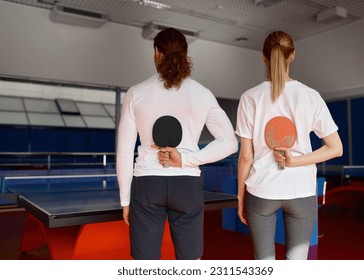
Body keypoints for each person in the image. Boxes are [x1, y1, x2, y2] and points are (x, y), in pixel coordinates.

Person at [116, 27, 238, 260]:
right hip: (186, 185)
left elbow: (124, 152)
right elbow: (230, 142)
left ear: (156, 53)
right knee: (190, 262)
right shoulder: (202, 93)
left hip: (147, 184)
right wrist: (186, 159)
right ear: (185, 54)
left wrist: (125, 199)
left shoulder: (136, 93)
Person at [236, 30, 343, 260]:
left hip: (261, 191)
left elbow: (246, 156)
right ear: (292, 55)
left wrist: (240, 197)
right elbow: (336, 148)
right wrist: (296, 161)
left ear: (263, 57)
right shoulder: (311, 96)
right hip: (301, 191)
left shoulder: (250, 97)